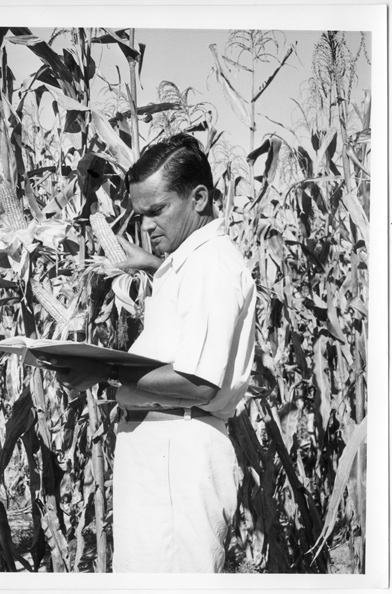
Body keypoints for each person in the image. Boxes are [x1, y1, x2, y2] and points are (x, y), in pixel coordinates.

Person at [53, 133, 256, 572]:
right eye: (139, 214)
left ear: (199, 198)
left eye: (156, 211)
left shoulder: (210, 265)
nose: (145, 226)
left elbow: (198, 383)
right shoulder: (192, 262)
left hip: (177, 454)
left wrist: (105, 371)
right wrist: (153, 265)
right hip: (164, 451)